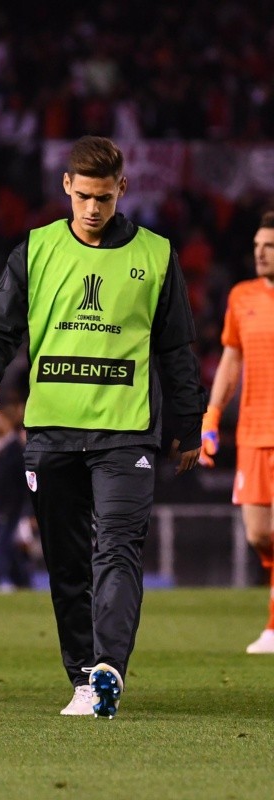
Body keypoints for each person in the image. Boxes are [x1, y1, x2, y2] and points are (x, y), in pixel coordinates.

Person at [0, 135, 205, 718]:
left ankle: (108, 671)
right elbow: (0, 324)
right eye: (84, 197)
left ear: (121, 189)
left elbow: (177, 348)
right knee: (67, 561)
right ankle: (81, 675)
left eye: (104, 197)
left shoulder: (156, 255)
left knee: (118, 549)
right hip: (51, 432)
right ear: (67, 187)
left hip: (128, 434)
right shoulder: (36, 250)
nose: (93, 209)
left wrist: (189, 423)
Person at [200, 210, 274, 654]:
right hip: (252, 432)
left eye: (270, 247)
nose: (261, 253)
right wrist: (211, 418)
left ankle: (272, 625)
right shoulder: (242, 296)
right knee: (258, 534)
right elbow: (231, 360)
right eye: (258, 247)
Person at [0, 399, 34, 591]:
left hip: (12, 505)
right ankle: (23, 581)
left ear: (9, 422)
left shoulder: (17, 448)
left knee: (2, 545)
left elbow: (24, 481)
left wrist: (29, 510)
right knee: (8, 546)